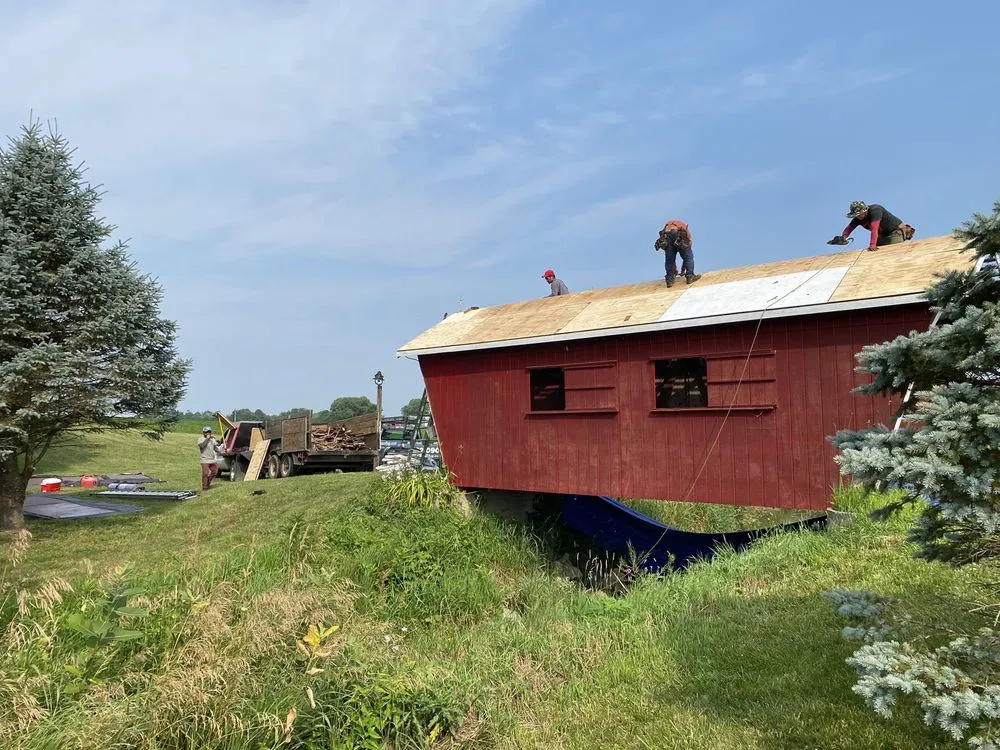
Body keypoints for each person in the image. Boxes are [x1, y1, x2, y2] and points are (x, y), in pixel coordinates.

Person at [834, 201, 915, 252]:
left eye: (860, 214)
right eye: (856, 215)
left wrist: (872, 244)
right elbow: (848, 229)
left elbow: (874, 228)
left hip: (895, 232)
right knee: (877, 255)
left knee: (894, 252)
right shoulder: (858, 219)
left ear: (865, 211)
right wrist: (843, 237)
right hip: (882, 236)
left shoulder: (875, 210)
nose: (858, 217)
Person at [654, 219, 701, 287]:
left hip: (666, 236)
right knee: (688, 257)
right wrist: (683, 271)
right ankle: (690, 276)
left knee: (669, 259)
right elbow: (686, 258)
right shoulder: (686, 234)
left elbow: (671, 259)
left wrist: (676, 271)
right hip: (677, 233)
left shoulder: (668, 225)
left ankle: (669, 280)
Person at [198, 426, 223, 490]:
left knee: (215, 472)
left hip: (212, 460)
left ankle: (207, 483)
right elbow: (201, 446)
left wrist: (220, 450)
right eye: (206, 432)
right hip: (205, 460)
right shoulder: (201, 439)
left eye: (209, 432)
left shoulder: (212, 439)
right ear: (203, 433)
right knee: (205, 474)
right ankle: (205, 487)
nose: (208, 433)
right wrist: (207, 439)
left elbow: (215, 447)